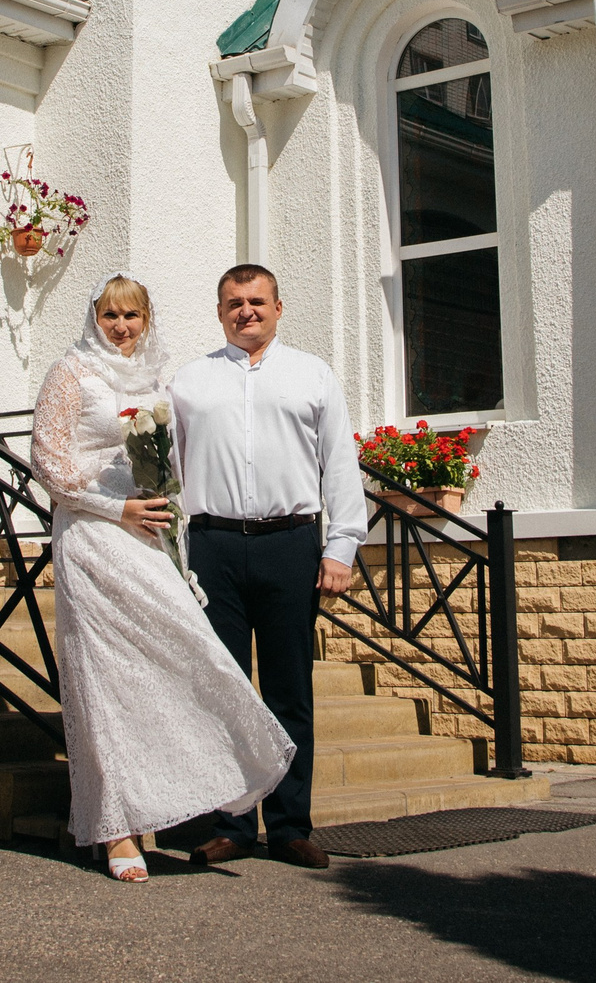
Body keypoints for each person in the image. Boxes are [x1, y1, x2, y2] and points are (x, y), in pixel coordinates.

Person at [30, 273, 294, 881]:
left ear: (147, 320)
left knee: (177, 658)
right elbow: (47, 461)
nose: (122, 327)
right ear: (94, 318)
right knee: (102, 679)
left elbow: (169, 461)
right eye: (110, 316)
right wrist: (114, 507)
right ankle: (118, 830)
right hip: (92, 535)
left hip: (147, 536)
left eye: (133, 316)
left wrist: (172, 528)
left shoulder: (155, 379)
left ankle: (202, 782)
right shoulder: (70, 372)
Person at [169, 263, 367, 870]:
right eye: (234, 302)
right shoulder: (189, 383)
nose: (245, 311)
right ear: (219, 311)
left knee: (289, 689)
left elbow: (339, 465)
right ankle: (232, 824)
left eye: (257, 301)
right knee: (226, 691)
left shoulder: (313, 375)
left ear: (278, 308)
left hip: (290, 546)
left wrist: (341, 547)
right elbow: (168, 470)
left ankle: (288, 826)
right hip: (214, 547)